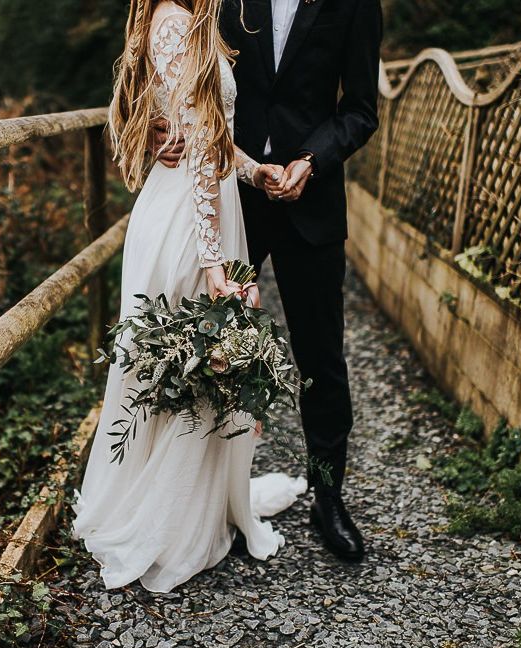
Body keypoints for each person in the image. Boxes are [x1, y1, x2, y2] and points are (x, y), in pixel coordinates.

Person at [71, 0, 308, 593]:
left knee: (196, 368)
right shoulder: (175, 23)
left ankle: (191, 511)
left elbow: (209, 136)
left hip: (205, 210)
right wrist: (211, 261)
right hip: (186, 223)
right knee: (187, 362)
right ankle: (165, 524)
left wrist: (257, 173)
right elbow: (200, 140)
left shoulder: (190, 20)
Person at [155, 0, 383, 562]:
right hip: (234, 203)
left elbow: (359, 110)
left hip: (314, 202)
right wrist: (161, 128)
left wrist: (313, 160)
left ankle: (328, 496)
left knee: (322, 359)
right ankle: (203, 500)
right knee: (207, 345)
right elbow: (180, 77)